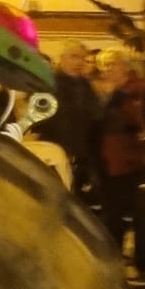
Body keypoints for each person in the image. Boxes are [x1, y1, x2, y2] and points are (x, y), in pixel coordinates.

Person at [96, 58, 145, 285]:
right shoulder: (112, 92)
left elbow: (140, 121)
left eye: (112, 65)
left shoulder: (133, 91)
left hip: (130, 161)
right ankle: (119, 262)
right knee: (117, 215)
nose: (108, 69)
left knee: (135, 215)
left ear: (125, 68)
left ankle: (140, 263)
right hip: (114, 161)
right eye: (106, 66)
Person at [37, 43, 103, 197]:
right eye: (74, 57)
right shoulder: (50, 84)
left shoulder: (86, 86)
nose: (79, 62)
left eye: (82, 58)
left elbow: (94, 118)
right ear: (62, 59)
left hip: (81, 155)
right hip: (56, 151)